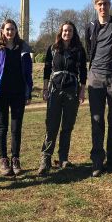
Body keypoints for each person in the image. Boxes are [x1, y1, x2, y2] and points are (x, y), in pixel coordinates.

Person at [38, 21, 87, 175]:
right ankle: (45, 159)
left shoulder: (79, 50)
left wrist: (82, 91)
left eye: (70, 31)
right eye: (65, 30)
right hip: (55, 90)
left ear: (74, 33)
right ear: (61, 32)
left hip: (72, 91)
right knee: (52, 126)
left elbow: (83, 72)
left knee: (67, 127)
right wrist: (45, 88)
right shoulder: (52, 49)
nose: (67, 33)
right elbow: (46, 70)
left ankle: (63, 158)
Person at [84, 0, 112, 177]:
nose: (103, 7)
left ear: (110, 5)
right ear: (95, 6)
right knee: (97, 119)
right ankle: (97, 160)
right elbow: (88, 50)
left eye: (106, 4)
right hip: (95, 77)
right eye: (99, 4)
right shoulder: (90, 27)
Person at [0, 19, 33, 177]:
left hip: (19, 92)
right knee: (2, 127)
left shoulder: (23, 47)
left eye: (12, 29)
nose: (10, 32)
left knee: (16, 127)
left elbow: (28, 72)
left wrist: (29, 91)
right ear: (2, 30)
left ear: (16, 30)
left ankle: (15, 159)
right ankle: (3, 160)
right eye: (7, 29)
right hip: (1, 93)